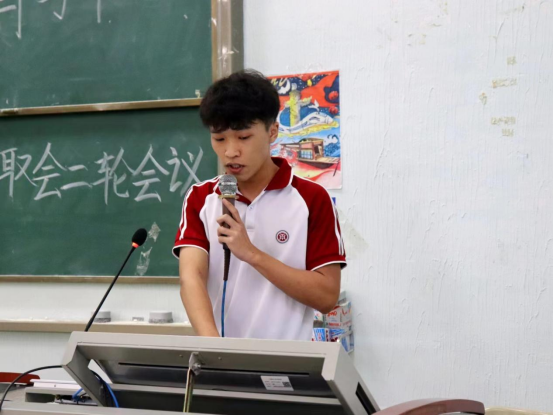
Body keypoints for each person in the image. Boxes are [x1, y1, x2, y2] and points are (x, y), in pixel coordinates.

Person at [173, 69, 346, 340]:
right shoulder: (201, 197)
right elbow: (191, 278)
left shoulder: (312, 198)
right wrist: (214, 349)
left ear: (272, 131)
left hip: (287, 361)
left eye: (243, 137)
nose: (230, 152)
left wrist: (251, 254)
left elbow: (326, 297)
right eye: (219, 139)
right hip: (220, 359)